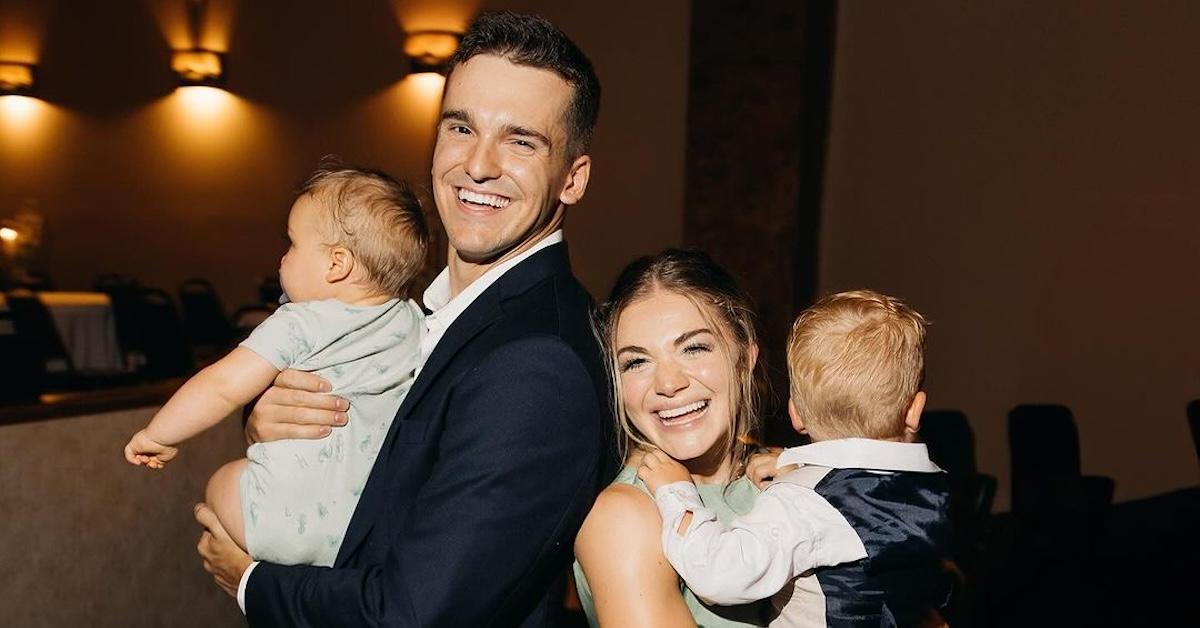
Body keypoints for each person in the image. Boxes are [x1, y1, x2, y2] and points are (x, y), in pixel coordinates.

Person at [192, 11, 609, 627]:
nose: (479, 164)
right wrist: (272, 424)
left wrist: (253, 582)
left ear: (572, 179)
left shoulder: (536, 362)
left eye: (521, 141)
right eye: (461, 128)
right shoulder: (415, 317)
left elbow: (415, 615)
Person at [124, 162, 428, 567]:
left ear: (337, 264)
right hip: (366, 531)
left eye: (292, 245)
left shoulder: (299, 322)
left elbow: (222, 386)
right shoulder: (412, 321)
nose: (283, 259)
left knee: (221, 481)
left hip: (281, 522)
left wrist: (158, 434)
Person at [638, 290, 954, 627]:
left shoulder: (802, 503)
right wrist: (793, 469)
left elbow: (722, 575)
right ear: (915, 410)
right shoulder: (933, 489)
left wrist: (676, 493)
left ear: (795, 414)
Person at [573, 248, 772, 627]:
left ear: (744, 359)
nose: (668, 383)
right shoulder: (625, 517)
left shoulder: (780, 476)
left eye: (694, 348)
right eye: (636, 361)